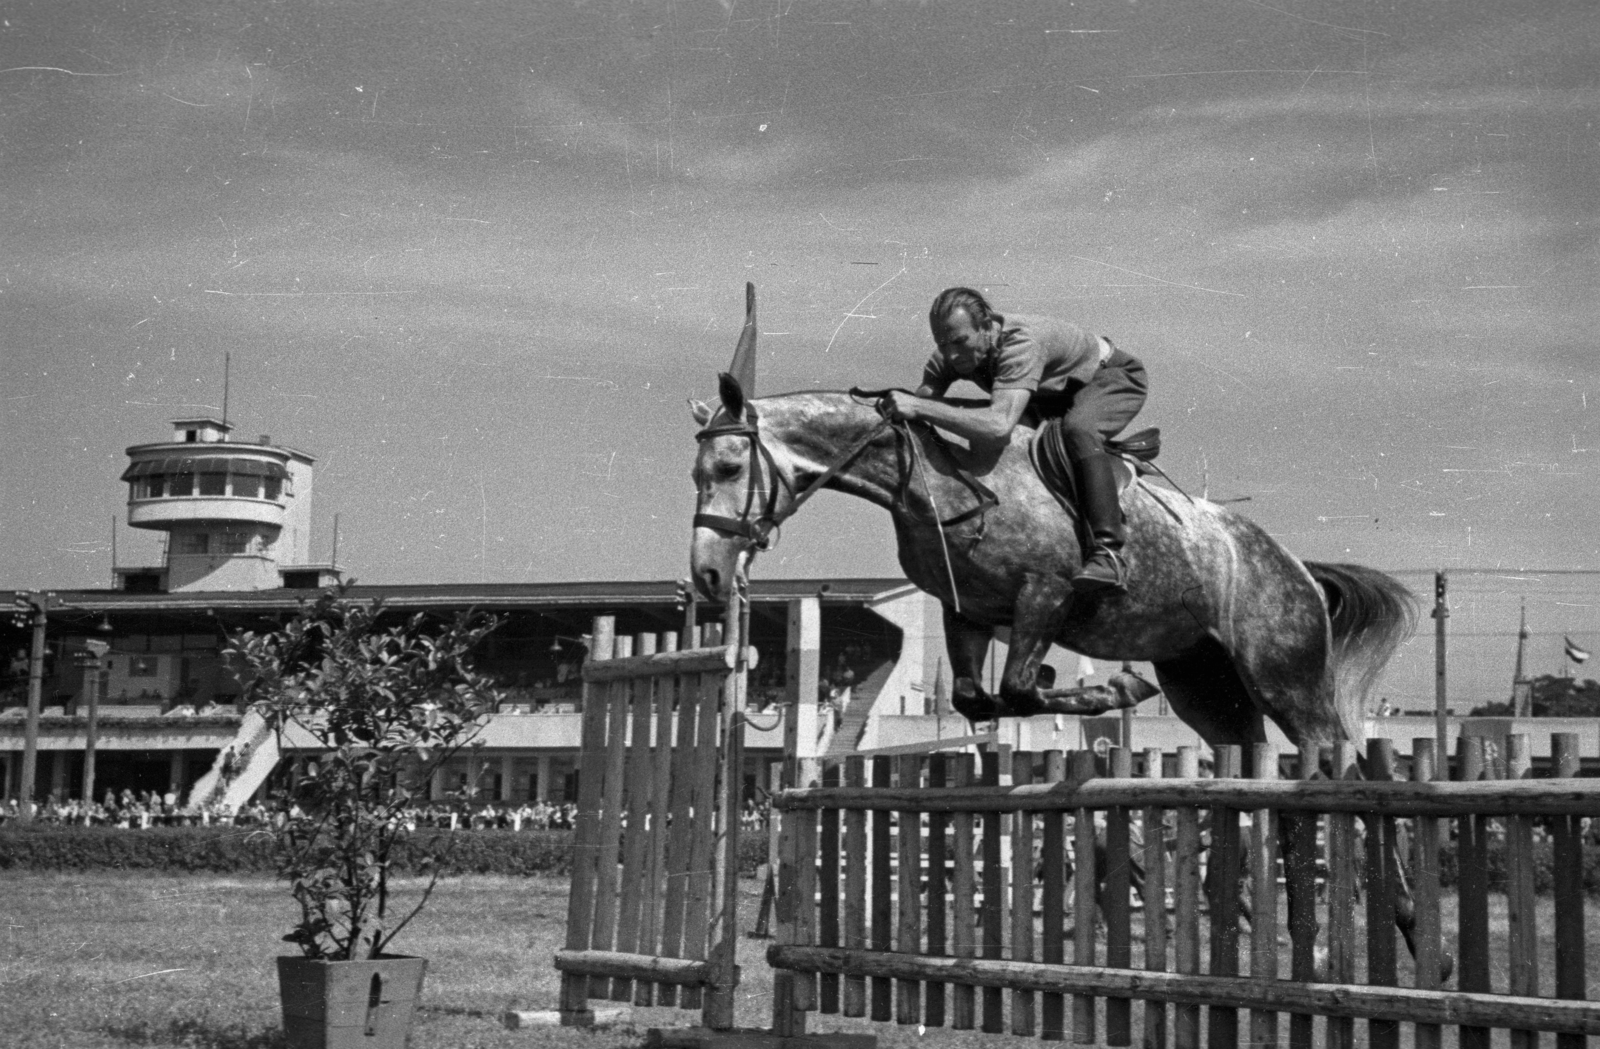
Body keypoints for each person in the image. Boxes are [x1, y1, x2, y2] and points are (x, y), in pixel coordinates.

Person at [883, 287, 1148, 594]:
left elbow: (997, 426)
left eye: (959, 342)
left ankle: (1108, 553)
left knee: (1078, 430)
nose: (952, 354)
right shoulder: (950, 354)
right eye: (942, 344)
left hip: (1111, 379)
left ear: (986, 326)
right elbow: (924, 404)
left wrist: (918, 407)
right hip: (1050, 396)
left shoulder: (1021, 344)